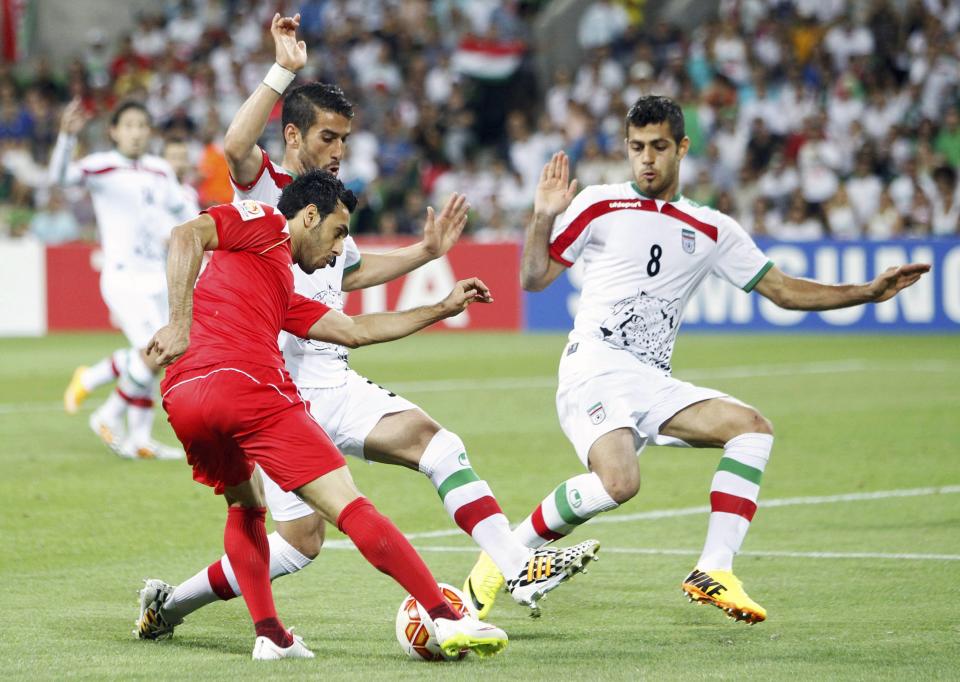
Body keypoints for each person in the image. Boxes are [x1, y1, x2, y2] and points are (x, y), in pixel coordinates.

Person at [135, 13, 598, 639]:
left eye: (346, 139)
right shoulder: (271, 191)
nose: (339, 150)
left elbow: (348, 273)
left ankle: (517, 568)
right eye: (329, 137)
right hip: (275, 390)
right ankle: (176, 604)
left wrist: (424, 254)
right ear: (293, 137)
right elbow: (237, 145)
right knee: (301, 542)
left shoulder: (330, 213)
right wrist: (282, 71)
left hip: (333, 377)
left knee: (439, 447)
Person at [464, 95, 930, 623]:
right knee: (620, 483)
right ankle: (500, 559)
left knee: (752, 429)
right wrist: (541, 217)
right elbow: (533, 278)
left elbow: (782, 289)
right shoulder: (599, 203)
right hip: (594, 364)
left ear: (682, 148)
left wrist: (865, 293)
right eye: (637, 147)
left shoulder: (712, 228)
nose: (646, 159)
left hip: (651, 379)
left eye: (658, 147)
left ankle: (715, 568)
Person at [143, 168, 508, 660]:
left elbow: (355, 330)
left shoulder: (276, 287)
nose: (339, 250)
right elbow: (186, 233)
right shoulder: (268, 224)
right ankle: (445, 618)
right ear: (309, 216)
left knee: (246, 506)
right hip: (250, 386)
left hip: (184, 396)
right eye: (338, 233)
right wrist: (180, 322)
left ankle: (271, 635)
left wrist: (440, 309)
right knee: (349, 505)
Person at [54, 99, 190, 460]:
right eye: (128, 125)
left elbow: (183, 211)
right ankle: (107, 412)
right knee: (156, 352)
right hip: (123, 277)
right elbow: (60, 179)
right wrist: (67, 138)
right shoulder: (102, 167)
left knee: (160, 353)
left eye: (142, 125)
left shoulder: (160, 170)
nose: (136, 132)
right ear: (114, 131)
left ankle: (140, 438)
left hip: (159, 278)